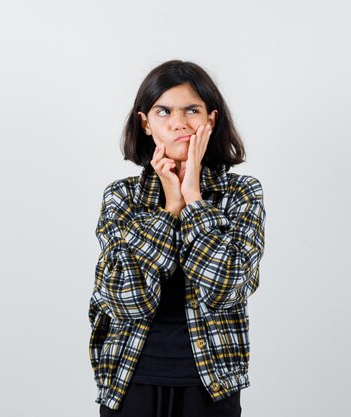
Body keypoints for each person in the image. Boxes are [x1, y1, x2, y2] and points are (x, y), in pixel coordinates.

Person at [88, 60, 266, 417]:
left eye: (192, 110)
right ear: (146, 123)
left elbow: (225, 289)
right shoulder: (122, 197)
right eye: (164, 110)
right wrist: (170, 209)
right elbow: (125, 300)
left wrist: (194, 198)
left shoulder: (242, 193)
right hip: (128, 380)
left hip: (211, 386)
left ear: (211, 120)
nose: (179, 123)